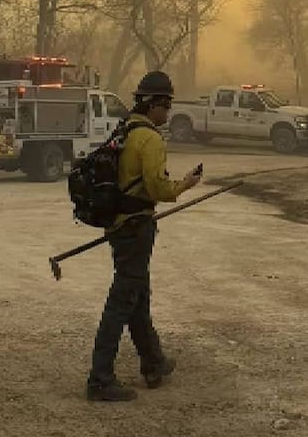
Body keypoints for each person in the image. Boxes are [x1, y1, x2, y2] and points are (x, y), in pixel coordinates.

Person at [86, 70, 203, 402]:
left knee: (137, 296)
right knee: (122, 302)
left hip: (119, 226)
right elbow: (157, 188)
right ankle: (99, 379)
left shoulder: (124, 130)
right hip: (137, 228)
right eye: (166, 107)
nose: (167, 114)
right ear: (155, 104)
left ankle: (154, 363)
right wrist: (185, 184)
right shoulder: (150, 138)